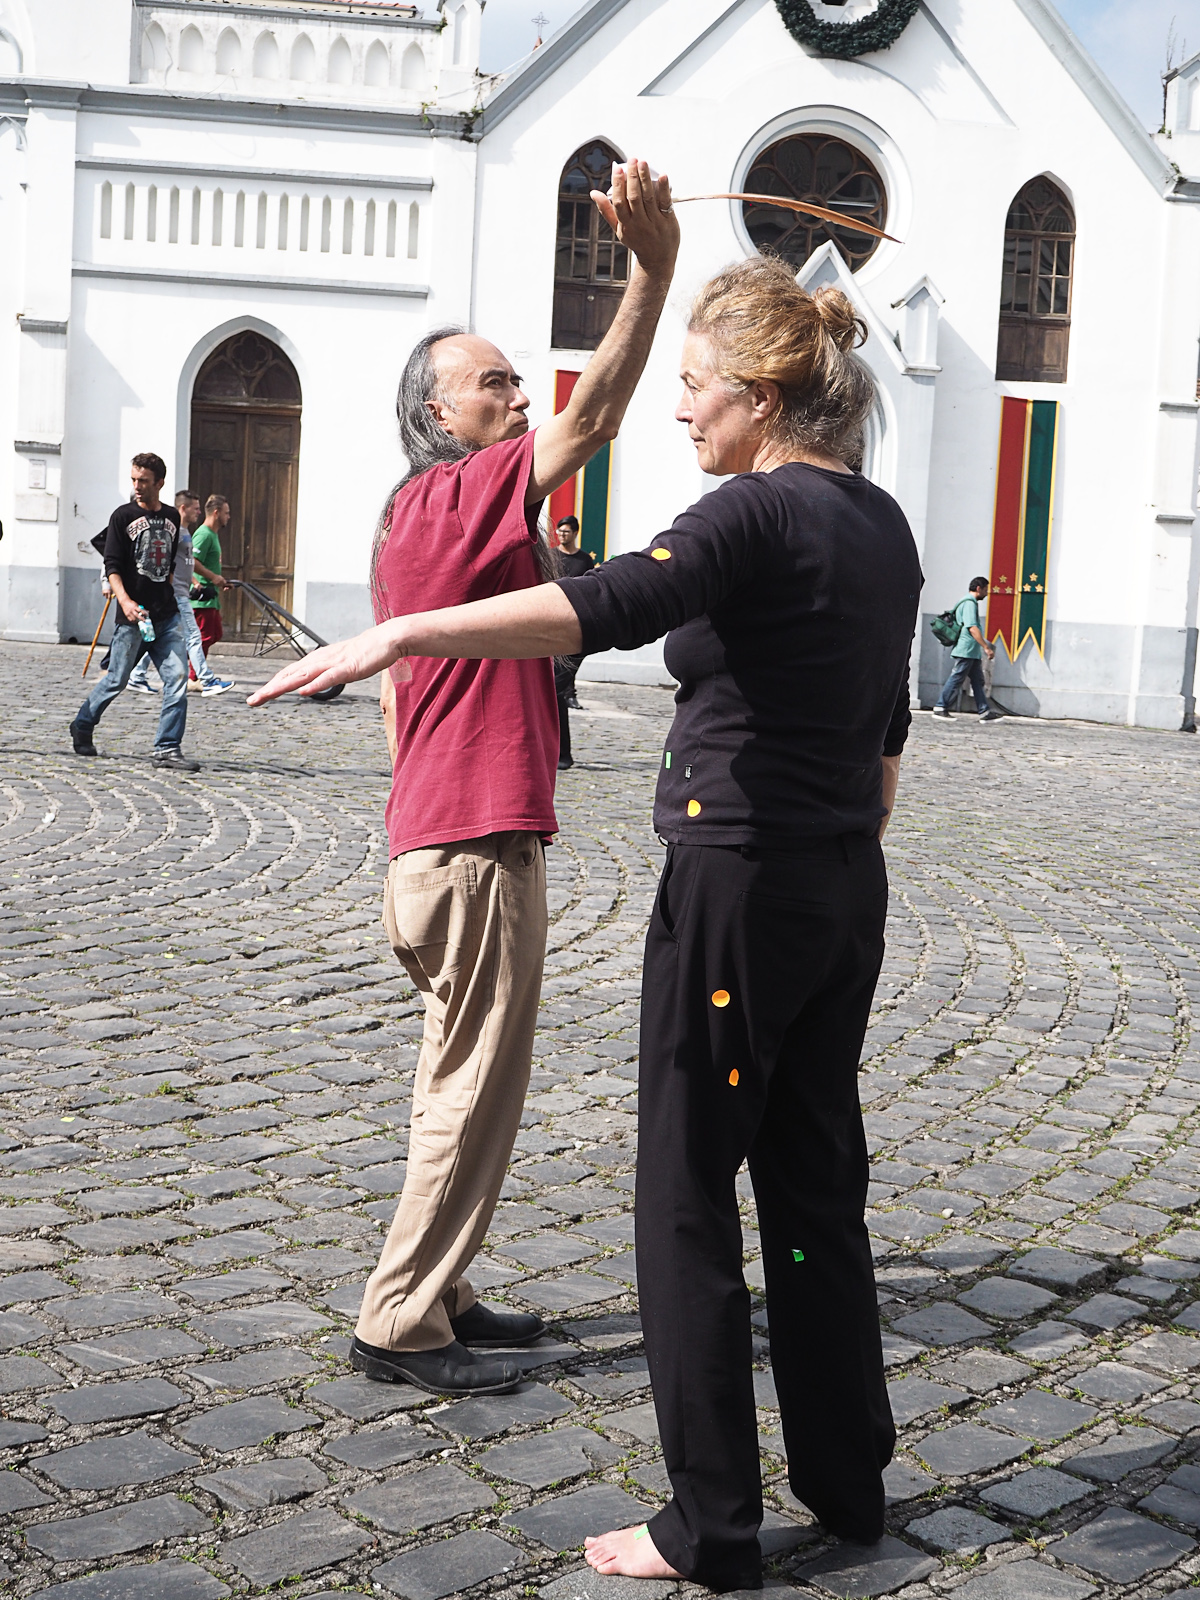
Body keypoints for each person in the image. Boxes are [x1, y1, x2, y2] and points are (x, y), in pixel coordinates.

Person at [248, 255, 922, 1588]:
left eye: (696, 384)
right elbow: (887, 732)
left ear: (759, 395)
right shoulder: (881, 519)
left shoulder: (754, 509)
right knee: (813, 1190)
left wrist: (403, 635)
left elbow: (600, 608)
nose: (681, 408)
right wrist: (833, 837)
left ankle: (710, 1525)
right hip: (842, 884)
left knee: (686, 1198)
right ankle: (848, 1485)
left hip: (735, 885)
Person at [279, 159, 679, 1399]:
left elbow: (406, 691)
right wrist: (653, 269)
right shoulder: (454, 496)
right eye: (493, 381)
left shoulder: (426, 514)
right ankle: (401, 1319)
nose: (517, 394)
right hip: (471, 841)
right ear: (439, 413)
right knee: (471, 1086)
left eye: (513, 378)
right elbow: (594, 419)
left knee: (457, 1078)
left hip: (445, 838)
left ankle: (443, 1288)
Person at [71, 453, 199, 773]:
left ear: (160, 483)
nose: (137, 486)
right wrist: (126, 602)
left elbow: (168, 561)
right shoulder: (122, 516)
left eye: (143, 481)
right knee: (117, 680)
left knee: (177, 679)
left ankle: (167, 748)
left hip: (166, 615)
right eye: (134, 479)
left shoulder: (172, 516)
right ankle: (83, 724)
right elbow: (112, 565)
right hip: (133, 617)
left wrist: (172, 590)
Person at [128, 490, 236, 699]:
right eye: (195, 508)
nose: (199, 512)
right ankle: (207, 680)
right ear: (183, 508)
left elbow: (186, 562)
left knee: (157, 635)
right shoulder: (173, 531)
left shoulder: (185, 531)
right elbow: (162, 560)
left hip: (181, 592)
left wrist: (194, 583)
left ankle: (137, 675)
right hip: (176, 593)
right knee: (194, 636)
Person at [932, 576, 1001, 721]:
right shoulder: (969, 603)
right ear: (978, 588)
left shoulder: (968, 602)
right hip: (966, 650)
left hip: (971, 652)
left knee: (977, 681)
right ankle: (940, 706)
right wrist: (986, 647)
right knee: (957, 677)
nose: (987, 593)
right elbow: (972, 628)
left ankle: (984, 711)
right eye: (986, 590)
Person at [554, 517, 593, 764]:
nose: (562, 535)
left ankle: (563, 754)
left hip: (575, 633)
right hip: (550, 631)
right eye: (559, 531)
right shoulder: (550, 556)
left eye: (567, 532)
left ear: (575, 533)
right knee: (553, 691)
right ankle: (559, 753)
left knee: (555, 688)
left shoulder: (584, 561)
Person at [191, 494, 233, 673]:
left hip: (212, 595)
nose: (228, 517)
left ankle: (192, 667)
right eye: (226, 513)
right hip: (202, 596)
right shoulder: (204, 534)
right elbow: (191, 560)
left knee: (215, 633)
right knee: (204, 636)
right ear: (216, 513)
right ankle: (193, 676)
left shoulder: (213, 535)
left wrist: (220, 581)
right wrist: (212, 577)